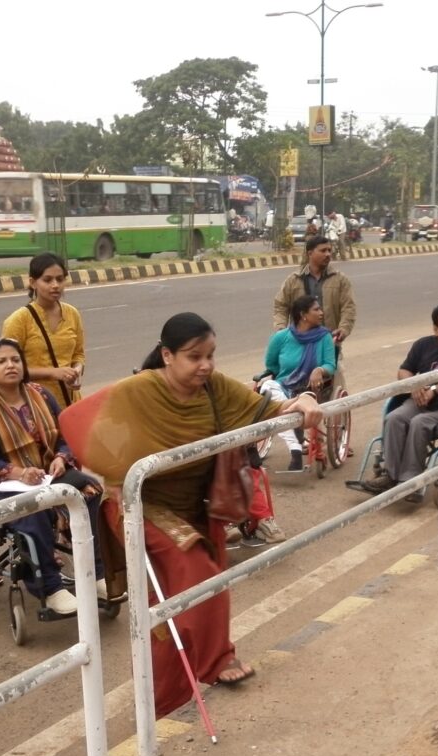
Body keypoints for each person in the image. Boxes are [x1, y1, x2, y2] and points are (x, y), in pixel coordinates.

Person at [58, 312, 322, 719]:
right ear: (167, 356)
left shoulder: (214, 389)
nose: (206, 365)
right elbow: (74, 421)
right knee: (194, 570)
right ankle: (184, 684)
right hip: (142, 507)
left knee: (185, 594)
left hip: (196, 504)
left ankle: (196, 676)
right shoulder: (140, 389)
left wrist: (305, 400)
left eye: (211, 355)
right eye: (194, 356)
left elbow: (270, 410)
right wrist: (114, 470)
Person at [0, 338, 107, 615]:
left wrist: (62, 458)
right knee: (34, 506)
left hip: (48, 473)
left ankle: (95, 574)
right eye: (1, 361)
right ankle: (50, 588)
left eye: (15, 360)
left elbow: (67, 436)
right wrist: (17, 472)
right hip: (2, 481)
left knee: (89, 489)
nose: (10, 365)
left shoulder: (41, 394)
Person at [363, 303, 438, 501]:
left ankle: (410, 481)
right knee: (394, 417)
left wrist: (435, 389)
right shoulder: (423, 345)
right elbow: (403, 371)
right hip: (421, 402)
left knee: (420, 423)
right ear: (436, 329)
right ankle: (390, 475)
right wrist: (414, 385)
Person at [1, 252, 86, 409]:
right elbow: (6, 369)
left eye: (60, 279)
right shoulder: (19, 320)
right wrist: (52, 373)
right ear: (33, 283)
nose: (55, 285)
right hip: (34, 407)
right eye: (47, 280)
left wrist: (77, 370)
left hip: (70, 404)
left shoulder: (72, 314)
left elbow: (78, 354)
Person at [262, 295, 337, 471]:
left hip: (311, 389)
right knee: (267, 388)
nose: (321, 312)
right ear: (303, 315)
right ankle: (295, 448)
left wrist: (319, 370)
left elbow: (330, 364)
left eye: (320, 309)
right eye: (316, 309)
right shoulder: (281, 338)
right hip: (284, 388)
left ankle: (295, 449)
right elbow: (271, 365)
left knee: (281, 407)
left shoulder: (324, 337)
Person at [274, 235, 357, 350]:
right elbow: (280, 306)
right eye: (323, 251)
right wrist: (281, 330)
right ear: (310, 253)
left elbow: (349, 308)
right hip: (299, 346)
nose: (327, 254)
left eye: (329, 250)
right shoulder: (294, 280)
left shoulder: (340, 280)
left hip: (329, 344)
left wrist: (343, 329)